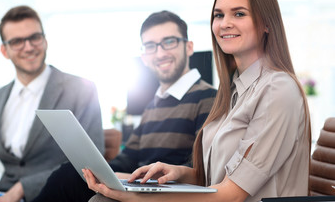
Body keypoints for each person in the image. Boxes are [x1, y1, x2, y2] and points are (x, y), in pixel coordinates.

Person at [84, 0, 311, 202]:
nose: (224, 23)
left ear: (267, 24)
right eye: (218, 15)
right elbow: (220, 178)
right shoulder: (235, 91)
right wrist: (180, 173)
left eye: (239, 13)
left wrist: (137, 198)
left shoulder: (277, 90)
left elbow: (231, 195)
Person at [31, 10, 217, 202]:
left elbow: (201, 170)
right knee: (69, 174)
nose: (160, 53)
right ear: (144, 56)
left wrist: (135, 180)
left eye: (169, 42)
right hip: (139, 186)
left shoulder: (210, 99)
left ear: (189, 47)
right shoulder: (153, 106)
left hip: (164, 194)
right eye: (151, 46)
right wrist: (99, 170)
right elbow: (128, 158)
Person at [0, 5, 104, 202]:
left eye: (34, 37)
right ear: (4, 50)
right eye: (17, 41)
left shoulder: (81, 90)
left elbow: (90, 165)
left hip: (53, 194)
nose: (28, 47)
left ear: (44, 40)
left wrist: (22, 188)